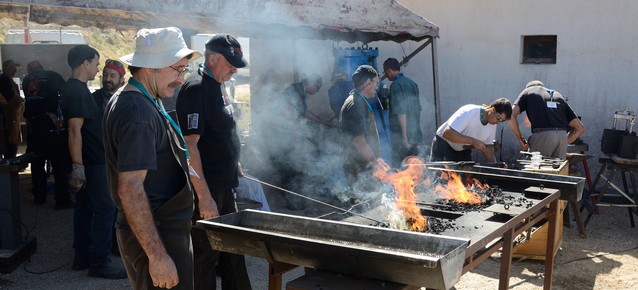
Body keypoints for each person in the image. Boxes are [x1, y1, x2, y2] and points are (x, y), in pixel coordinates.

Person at [103, 27, 201, 289]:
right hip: (157, 237)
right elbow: (131, 189)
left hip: (159, 233)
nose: (181, 79)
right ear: (150, 67)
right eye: (177, 69)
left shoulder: (140, 99)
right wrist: (158, 257)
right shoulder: (138, 114)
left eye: (184, 70)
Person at [176, 33, 252, 290]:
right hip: (207, 188)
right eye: (230, 63)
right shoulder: (196, 88)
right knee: (206, 255)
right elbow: (190, 146)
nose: (234, 69)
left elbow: (220, 132)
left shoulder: (218, 83)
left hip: (224, 183)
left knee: (233, 249)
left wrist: (234, 162)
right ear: (211, 59)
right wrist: (204, 196)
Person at [62, 44, 126, 279]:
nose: (98, 69)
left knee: (85, 208)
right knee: (106, 209)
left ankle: (83, 257)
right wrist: (78, 167)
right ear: (85, 63)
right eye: (97, 64)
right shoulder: (77, 91)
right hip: (93, 163)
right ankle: (100, 262)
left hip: (93, 161)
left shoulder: (78, 89)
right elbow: (74, 130)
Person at [21, 60, 73, 208]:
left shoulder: (26, 80)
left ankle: (39, 196)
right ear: (42, 67)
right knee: (59, 164)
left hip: (34, 126)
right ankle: (62, 199)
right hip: (51, 124)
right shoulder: (53, 76)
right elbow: (65, 94)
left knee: (37, 163)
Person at [509, 80, 585, 159]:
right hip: (562, 136)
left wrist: (521, 140)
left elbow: (511, 115)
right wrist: (565, 140)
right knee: (557, 170)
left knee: (536, 169)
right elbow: (580, 128)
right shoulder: (557, 95)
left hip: (543, 136)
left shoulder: (528, 91)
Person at [339, 65, 382, 190]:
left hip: (362, 165)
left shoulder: (358, 101)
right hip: (359, 167)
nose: (377, 87)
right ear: (368, 82)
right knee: (365, 206)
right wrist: (375, 163)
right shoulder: (356, 104)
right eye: (376, 82)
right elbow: (359, 142)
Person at [430, 98, 512, 162]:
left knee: (466, 180)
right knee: (439, 180)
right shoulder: (469, 112)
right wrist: (473, 141)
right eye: (498, 118)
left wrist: (496, 167)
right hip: (444, 144)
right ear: (492, 110)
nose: (498, 122)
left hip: (462, 149)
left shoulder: (492, 123)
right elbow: (447, 133)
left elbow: (488, 150)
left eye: (501, 121)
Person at [383, 58, 422, 168]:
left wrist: (404, 139)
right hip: (416, 135)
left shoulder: (395, 85)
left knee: (401, 170)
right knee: (415, 169)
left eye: (385, 72)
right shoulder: (413, 84)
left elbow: (401, 113)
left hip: (402, 138)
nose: (386, 75)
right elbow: (417, 110)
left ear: (389, 70)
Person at [0, 59, 24, 159]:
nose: (15, 70)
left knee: (12, 141)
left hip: (12, 116)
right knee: (9, 143)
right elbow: (11, 98)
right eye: (12, 67)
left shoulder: (9, 80)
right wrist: (20, 99)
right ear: (5, 68)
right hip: (7, 117)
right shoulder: (4, 80)